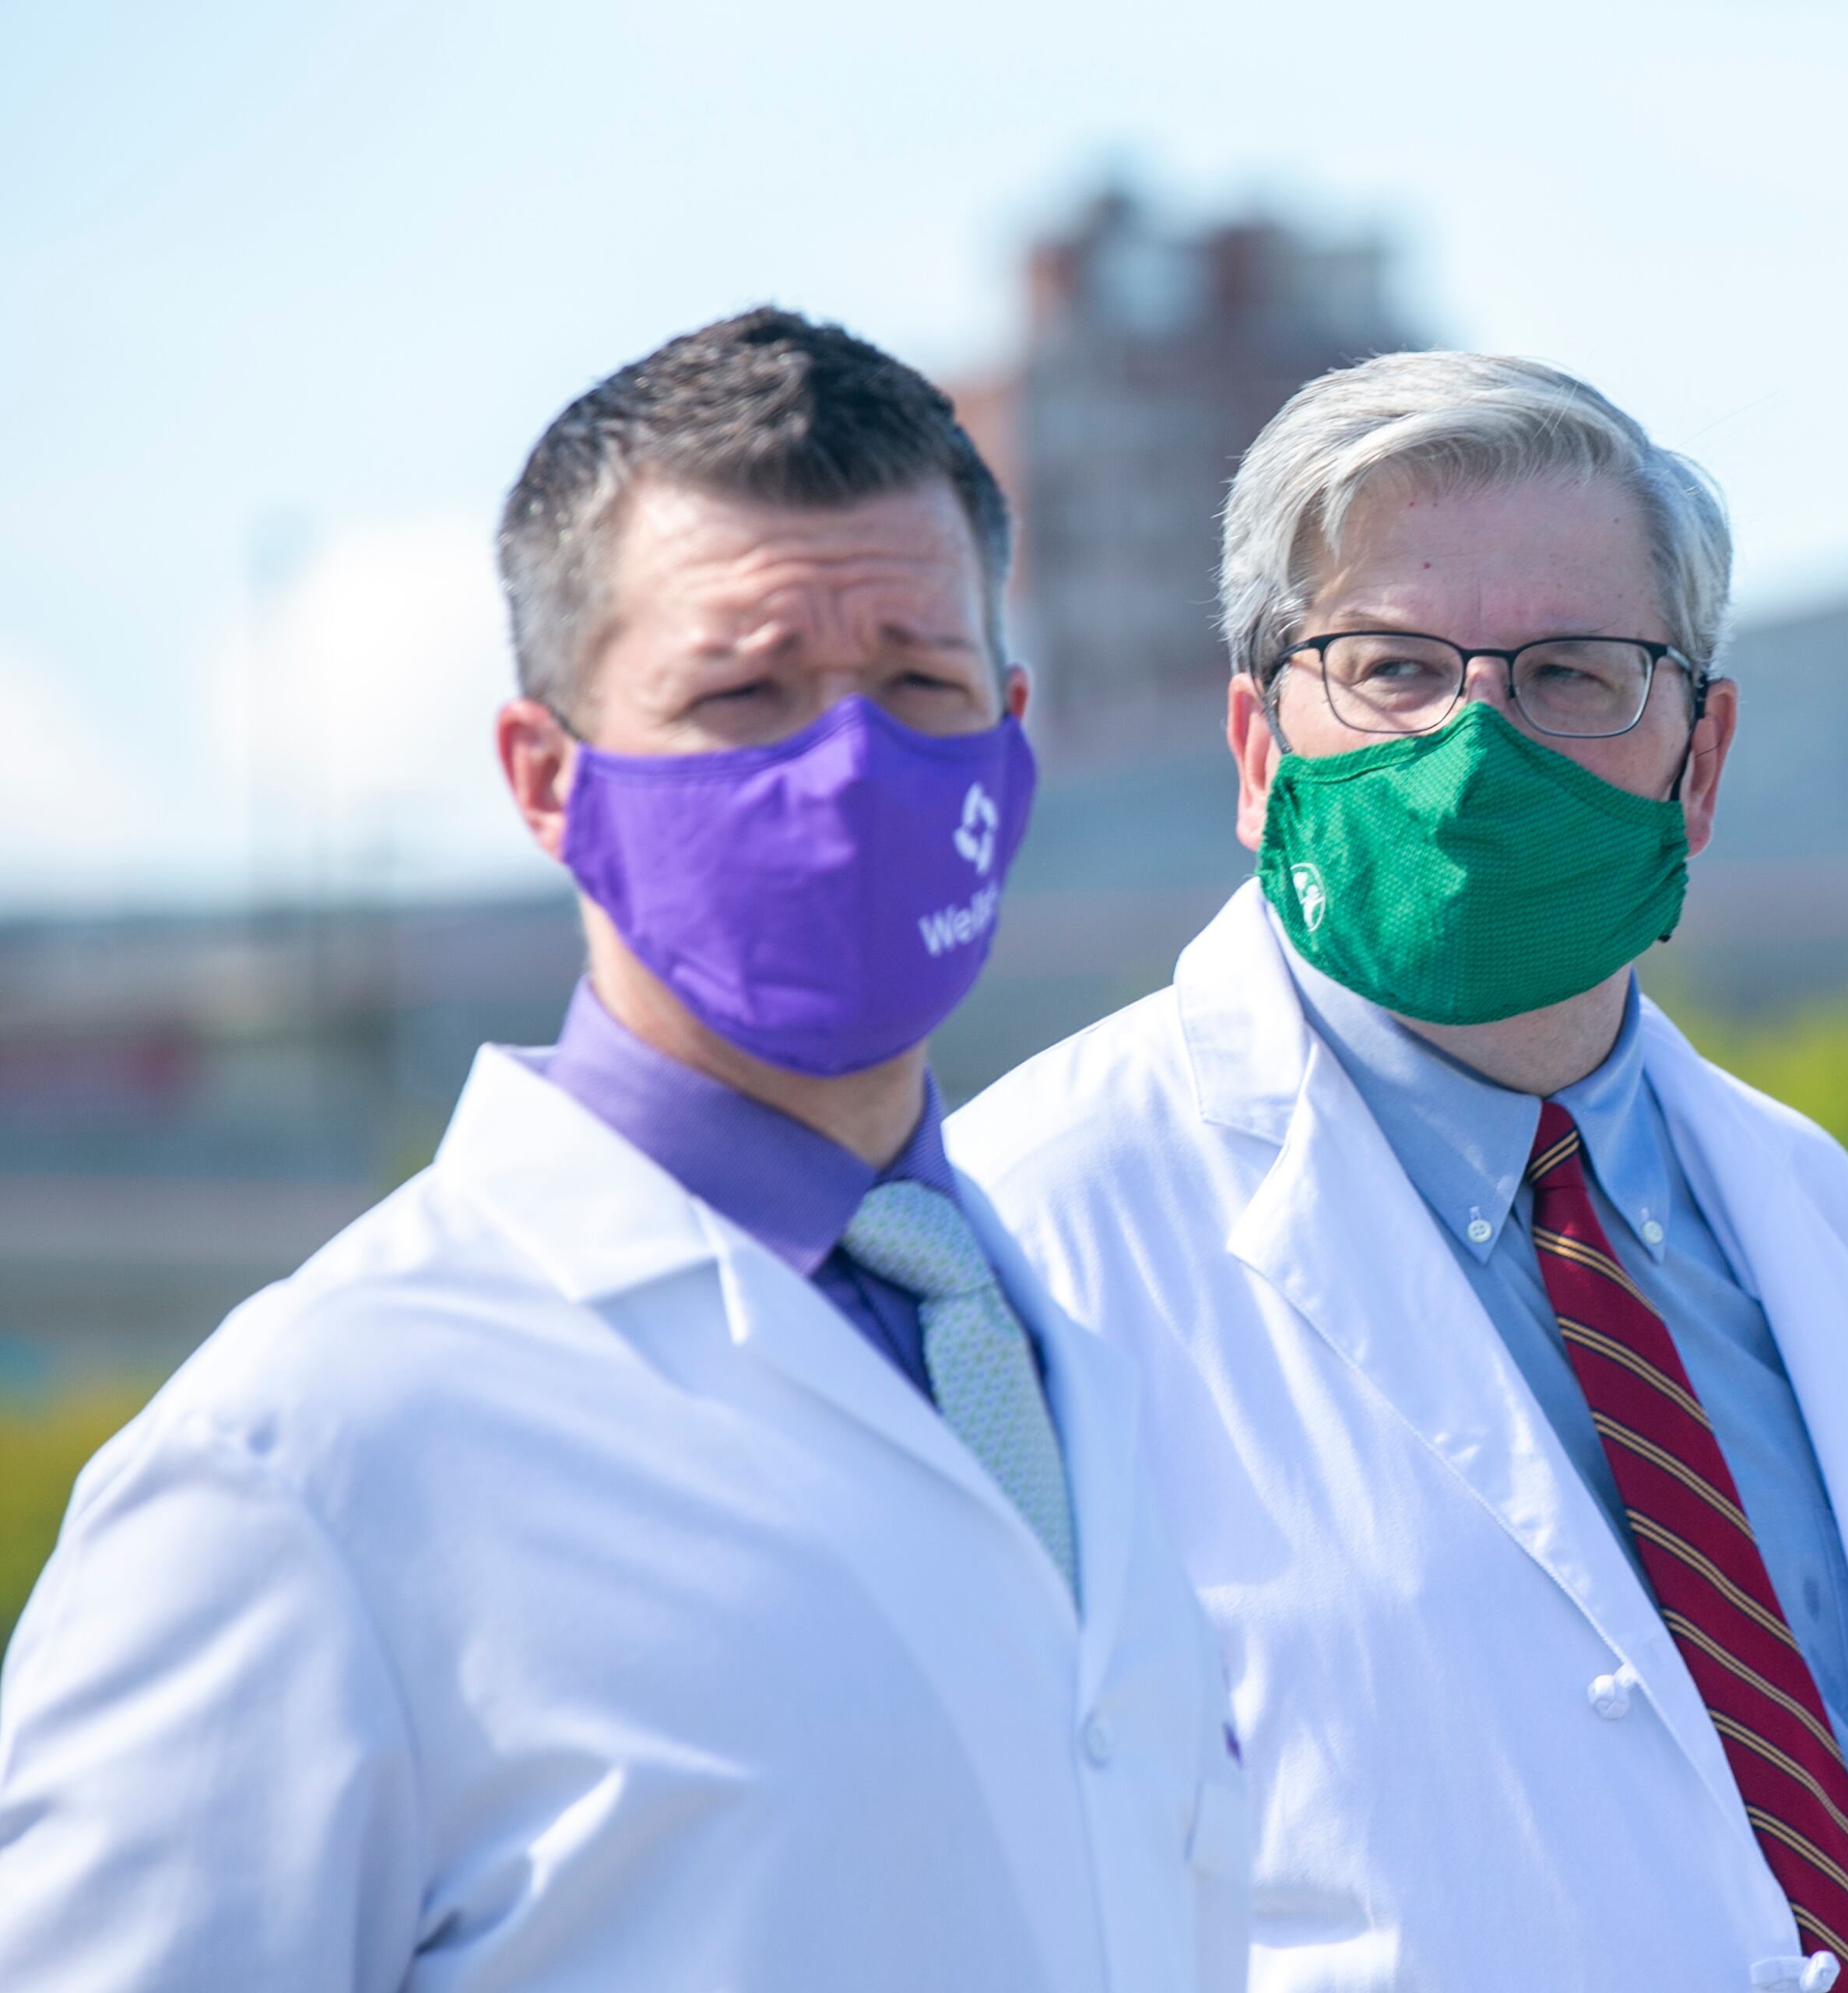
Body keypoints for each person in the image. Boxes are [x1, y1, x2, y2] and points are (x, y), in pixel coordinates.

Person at [0, 310, 1247, 1992]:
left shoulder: (1070, 1368)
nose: (848, 767)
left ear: (1012, 740)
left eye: (919, 683)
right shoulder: (304, 1459)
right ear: (544, 776)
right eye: (746, 693)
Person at [943, 352, 1848, 1993]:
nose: (1476, 747)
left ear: (1703, 761)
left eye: (1573, 674)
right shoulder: (1032, 1227)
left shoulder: (1801, 1202)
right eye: (1392, 669)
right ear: (1255, 748)